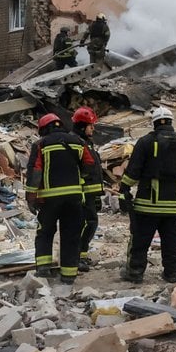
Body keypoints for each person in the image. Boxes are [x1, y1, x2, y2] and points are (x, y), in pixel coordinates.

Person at [119, 106, 176, 284]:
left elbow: (133, 171)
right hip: (173, 206)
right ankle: (172, 273)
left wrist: (124, 188)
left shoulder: (145, 142)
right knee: (172, 241)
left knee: (140, 239)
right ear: (171, 122)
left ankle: (135, 272)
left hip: (147, 204)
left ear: (154, 123)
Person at [24, 112, 95, 285]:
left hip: (50, 198)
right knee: (71, 234)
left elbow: (36, 172)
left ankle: (43, 269)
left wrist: (31, 197)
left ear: (44, 129)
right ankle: (69, 274)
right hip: (74, 197)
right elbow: (89, 164)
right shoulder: (79, 142)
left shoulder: (41, 144)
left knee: (45, 232)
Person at [71, 106, 104, 272]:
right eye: (91, 125)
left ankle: (81, 256)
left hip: (89, 193)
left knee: (90, 224)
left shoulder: (86, 143)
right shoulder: (77, 143)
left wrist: (97, 195)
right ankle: (76, 258)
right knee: (85, 224)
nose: (93, 128)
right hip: (82, 193)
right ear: (83, 126)